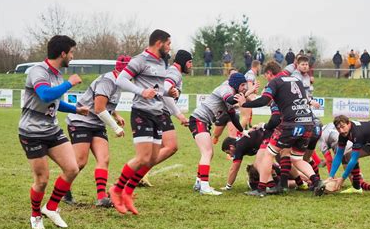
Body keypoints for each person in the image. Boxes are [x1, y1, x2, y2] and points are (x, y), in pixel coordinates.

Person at [19, 35, 89, 229]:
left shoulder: (57, 73)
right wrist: (70, 83)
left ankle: (51, 208)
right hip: (32, 132)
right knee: (42, 181)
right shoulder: (38, 71)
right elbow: (45, 95)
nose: (73, 57)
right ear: (63, 53)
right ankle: (35, 215)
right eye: (72, 52)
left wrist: (76, 109)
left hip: (52, 130)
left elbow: (54, 102)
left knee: (72, 168)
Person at [109, 29, 178, 215]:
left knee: (153, 158)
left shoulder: (162, 62)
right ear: (159, 43)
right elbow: (121, 80)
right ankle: (116, 190)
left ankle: (128, 193)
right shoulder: (139, 60)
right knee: (142, 158)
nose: (170, 47)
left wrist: (168, 92)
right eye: (169, 43)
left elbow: (156, 89)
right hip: (142, 112)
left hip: (157, 113)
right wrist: (140, 92)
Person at [235, 61, 325, 197]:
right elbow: (305, 99)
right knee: (297, 158)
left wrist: (245, 103)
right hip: (308, 122)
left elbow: (265, 100)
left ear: (269, 73)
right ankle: (317, 181)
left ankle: (260, 189)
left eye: (266, 76)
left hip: (290, 123)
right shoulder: (296, 79)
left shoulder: (275, 82)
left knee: (269, 154)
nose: (266, 79)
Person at [64, 55, 131, 207]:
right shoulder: (107, 81)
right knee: (80, 162)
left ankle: (101, 198)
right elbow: (99, 108)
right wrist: (116, 127)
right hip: (80, 120)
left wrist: (116, 114)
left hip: (97, 123)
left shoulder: (119, 81)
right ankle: (63, 189)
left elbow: (106, 104)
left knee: (104, 158)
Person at [189, 73, 248, 195]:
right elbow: (230, 100)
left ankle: (199, 182)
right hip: (199, 119)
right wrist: (243, 96)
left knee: (208, 153)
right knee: (207, 152)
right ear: (236, 84)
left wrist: (242, 131)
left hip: (202, 121)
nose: (244, 87)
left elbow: (233, 116)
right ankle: (204, 187)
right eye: (242, 85)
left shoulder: (231, 91)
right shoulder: (226, 89)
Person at [328, 115, 370, 200]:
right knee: (348, 155)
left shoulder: (357, 132)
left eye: (343, 127)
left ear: (349, 123)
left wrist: (342, 179)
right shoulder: (343, 135)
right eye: (338, 128)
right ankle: (356, 187)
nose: (341, 131)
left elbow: (354, 159)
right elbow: (339, 155)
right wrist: (330, 176)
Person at [240, 60, 261, 129]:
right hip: (246, 97)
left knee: (246, 117)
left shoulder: (250, 73)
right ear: (257, 66)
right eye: (260, 66)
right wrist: (251, 98)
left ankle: (240, 133)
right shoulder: (251, 74)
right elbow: (249, 86)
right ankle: (238, 133)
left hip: (245, 96)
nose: (260, 67)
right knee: (246, 117)